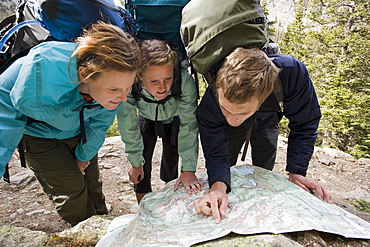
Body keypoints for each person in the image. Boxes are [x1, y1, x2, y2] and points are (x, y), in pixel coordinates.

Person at [0, 22, 139, 226]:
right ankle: (87, 232)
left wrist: (83, 156)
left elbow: (100, 125)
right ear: (84, 75)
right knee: (71, 190)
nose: (123, 97)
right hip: (38, 136)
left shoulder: (109, 84)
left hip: (75, 128)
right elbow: (4, 124)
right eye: (115, 90)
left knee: (91, 183)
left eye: (128, 88)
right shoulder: (40, 75)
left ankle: (102, 224)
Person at [193, 47, 332, 223]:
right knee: (226, 164)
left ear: (262, 97)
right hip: (234, 117)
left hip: (268, 117)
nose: (232, 120)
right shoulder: (210, 105)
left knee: (265, 156)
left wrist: (296, 171)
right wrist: (217, 188)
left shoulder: (291, 74)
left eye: (241, 113)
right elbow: (216, 152)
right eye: (225, 109)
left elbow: (305, 122)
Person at [117, 39, 202, 204]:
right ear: (140, 76)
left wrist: (189, 169)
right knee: (141, 169)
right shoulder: (130, 84)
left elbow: (189, 125)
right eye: (154, 81)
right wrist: (135, 162)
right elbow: (127, 124)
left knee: (171, 161)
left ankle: (169, 199)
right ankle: (144, 209)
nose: (162, 87)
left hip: (173, 119)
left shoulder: (183, 82)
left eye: (167, 79)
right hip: (146, 118)